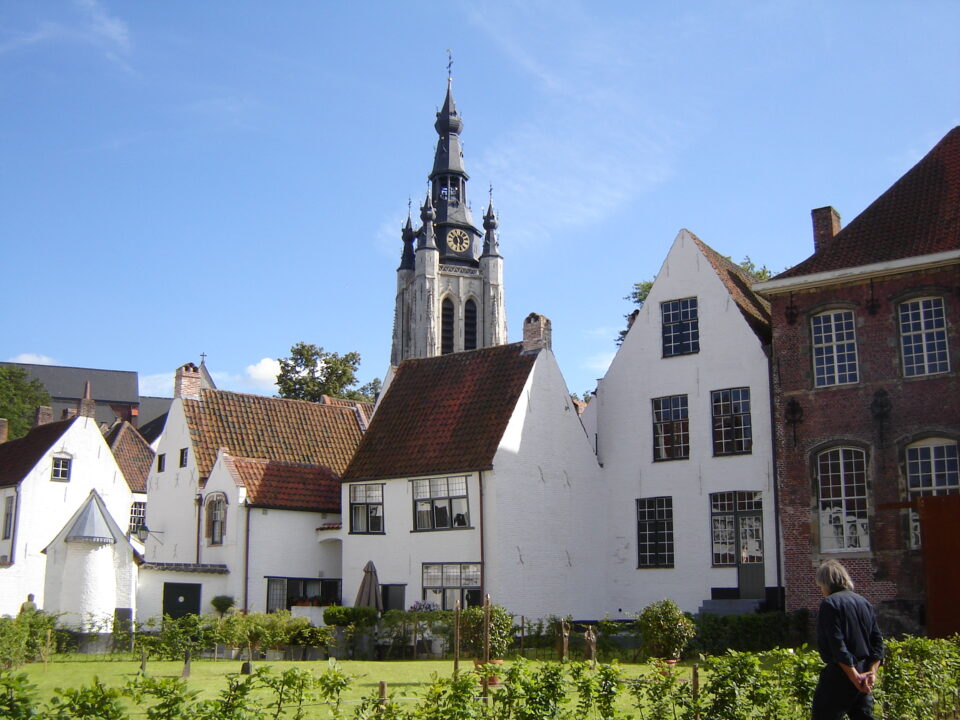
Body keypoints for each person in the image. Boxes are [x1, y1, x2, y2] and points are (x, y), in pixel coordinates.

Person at [812, 560, 884, 720]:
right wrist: (871, 673)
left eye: (820, 586)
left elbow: (837, 645)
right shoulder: (863, 602)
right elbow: (877, 642)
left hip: (841, 673)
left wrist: (854, 676)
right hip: (864, 670)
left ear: (825, 583)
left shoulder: (829, 604)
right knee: (862, 716)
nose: (821, 590)